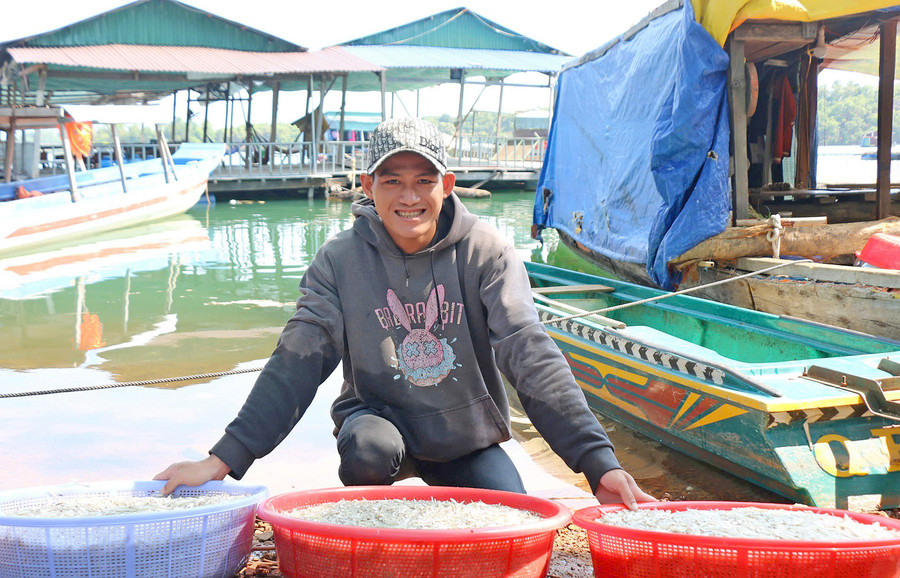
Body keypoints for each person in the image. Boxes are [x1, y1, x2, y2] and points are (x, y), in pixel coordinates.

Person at [155, 117, 655, 509]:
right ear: (368, 185)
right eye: (392, 180)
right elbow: (297, 359)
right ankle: (373, 516)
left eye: (424, 179)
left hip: (466, 439)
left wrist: (597, 462)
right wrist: (223, 459)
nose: (409, 196)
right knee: (368, 448)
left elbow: (530, 353)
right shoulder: (338, 260)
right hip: (377, 425)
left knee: (514, 512)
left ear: (448, 183)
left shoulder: (488, 253)